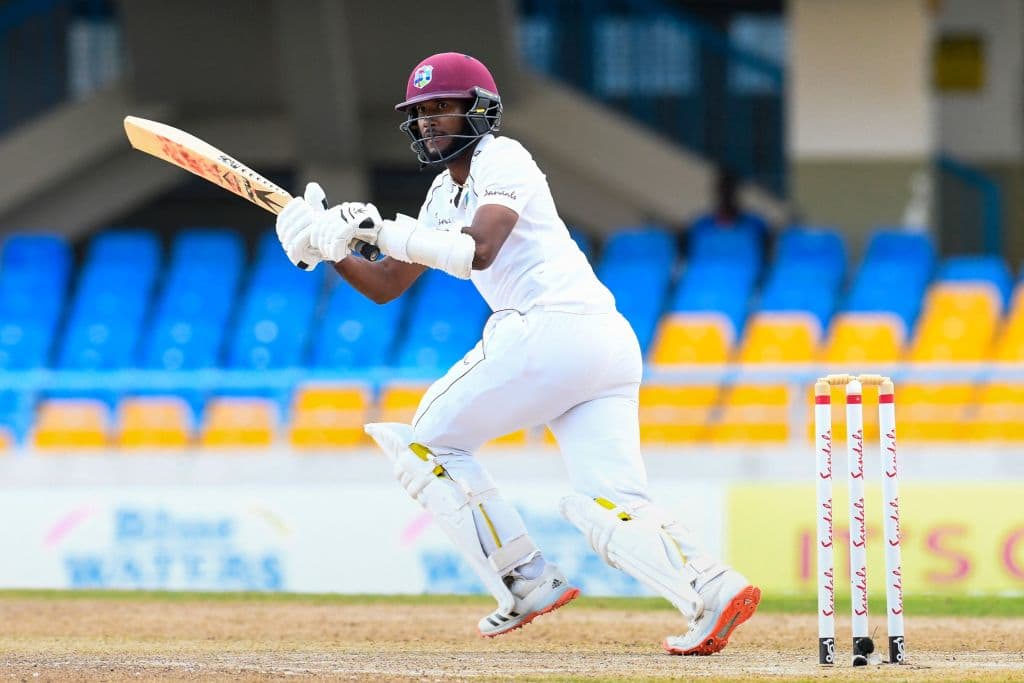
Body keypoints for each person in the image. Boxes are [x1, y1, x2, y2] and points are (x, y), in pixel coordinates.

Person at [274, 52, 760, 654]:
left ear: (479, 110)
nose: (428, 121)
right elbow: (387, 285)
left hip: (550, 330)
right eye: (420, 112)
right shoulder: (439, 195)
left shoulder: (503, 157)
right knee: (608, 502)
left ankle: (524, 580)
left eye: (441, 108)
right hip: (600, 346)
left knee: (425, 444)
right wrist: (328, 250)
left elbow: (479, 249)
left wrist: (373, 230)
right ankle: (710, 590)